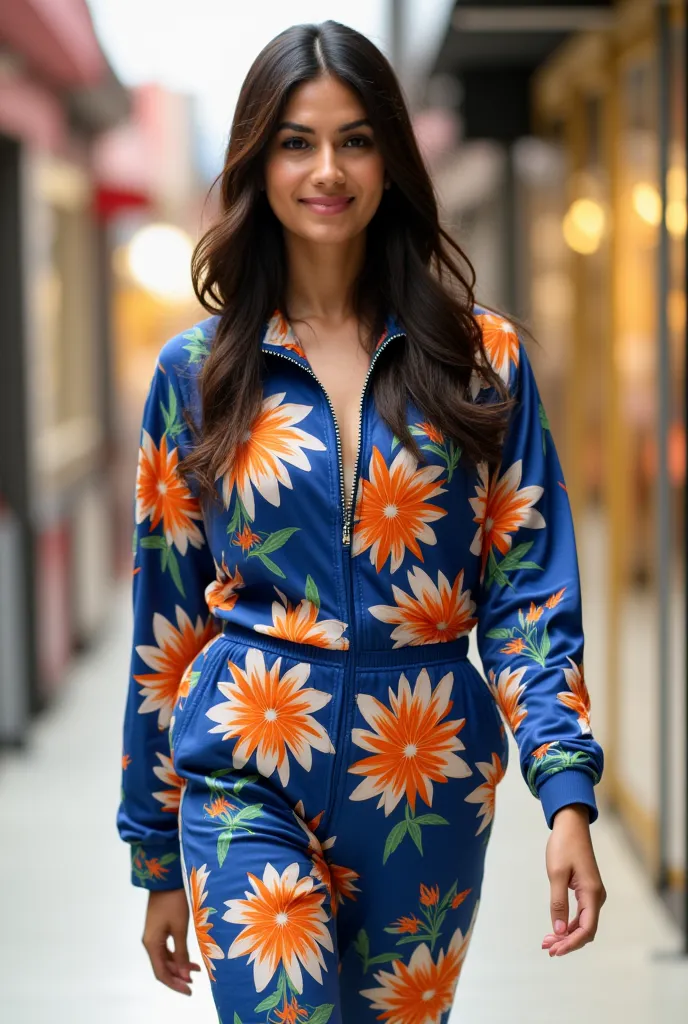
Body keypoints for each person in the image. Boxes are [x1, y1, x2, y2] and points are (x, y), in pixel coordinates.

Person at [117, 19, 606, 1023]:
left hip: (424, 778)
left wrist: (566, 790)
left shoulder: (484, 361)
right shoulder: (197, 375)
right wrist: (154, 844)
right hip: (246, 764)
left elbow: (527, 590)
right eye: (296, 141)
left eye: (355, 139)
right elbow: (164, 619)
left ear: (392, 153)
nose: (326, 169)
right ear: (259, 161)